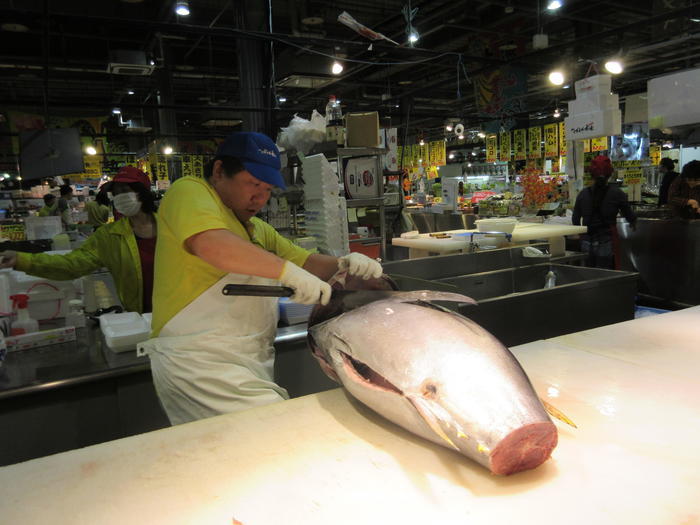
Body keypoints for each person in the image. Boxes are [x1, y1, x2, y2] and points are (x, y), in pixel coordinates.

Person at [140, 131, 383, 426]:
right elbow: (211, 244)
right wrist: (287, 273)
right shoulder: (188, 191)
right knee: (278, 436)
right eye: (253, 184)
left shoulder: (254, 229)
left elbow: (305, 261)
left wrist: (345, 263)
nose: (260, 197)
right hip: (198, 364)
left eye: (267, 189)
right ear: (219, 172)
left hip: (248, 362)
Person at [0, 166, 157, 313]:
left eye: (125, 190)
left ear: (142, 192)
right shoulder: (109, 236)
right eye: (116, 193)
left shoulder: (171, 226)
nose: (119, 197)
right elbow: (72, 265)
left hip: (179, 311)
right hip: (142, 317)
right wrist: (21, 260)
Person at [572, 155, 636, 269]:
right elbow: (629, 215)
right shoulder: (617, 194)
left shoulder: (583, 194)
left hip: (587, 240)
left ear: (591, 175)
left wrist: (579, 234)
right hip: (607, 239)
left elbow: (575, 218)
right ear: (609, 174)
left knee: (588, 273)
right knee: (605, 274)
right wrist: (633, 223)